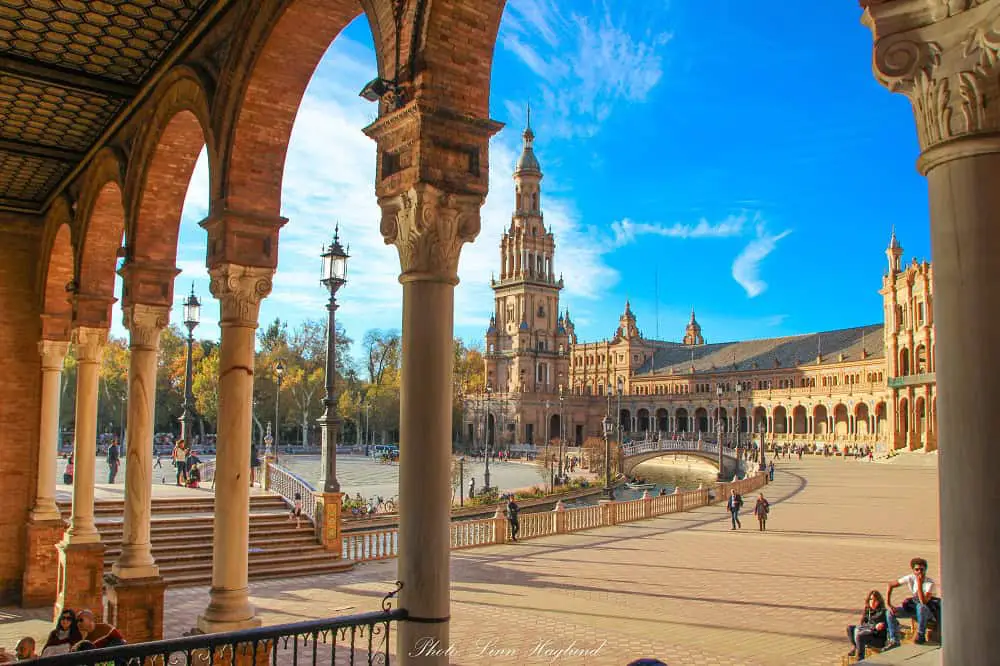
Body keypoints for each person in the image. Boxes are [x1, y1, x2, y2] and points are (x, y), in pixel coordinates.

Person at [886, 557, 941, 645]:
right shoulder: (910, 578)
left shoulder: (930, 583)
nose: (919, 572)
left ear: (925, 570)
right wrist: (889, 603)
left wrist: (919, 584)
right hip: (915, 610)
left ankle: (921, 635)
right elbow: (890, 585)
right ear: (913, 570)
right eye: (917, 569)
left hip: (928, 612)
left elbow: (923, 602)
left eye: (922, 569)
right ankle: (894, 640)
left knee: (921, 607)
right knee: (890, 613)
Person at [847, 590, 889, 659]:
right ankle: (856, 647)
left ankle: (860, 659)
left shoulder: (882, 612)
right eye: (871, 599)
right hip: (868, 632)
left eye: (875, 600)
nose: (872, 602)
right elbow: (862, 623)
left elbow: (879, 628)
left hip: (878, 638)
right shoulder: (868, 610)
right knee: (850, 628)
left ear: (879, 601)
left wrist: (875, 627)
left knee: (860, 636)